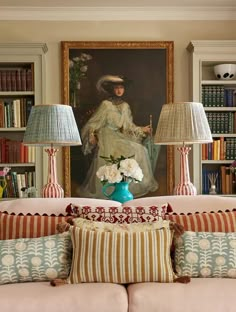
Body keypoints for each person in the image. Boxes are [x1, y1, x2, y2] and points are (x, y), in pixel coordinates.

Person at [79, 74, 159, 198]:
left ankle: (127, 188)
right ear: (112, 90)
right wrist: (92, 134)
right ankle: (110, 190)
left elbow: (128, 126)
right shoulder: (106, 105)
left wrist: (142, 129)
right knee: (115, 154)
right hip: (107, 136)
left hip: (119, 136)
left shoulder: (125, 106)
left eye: (121, 87)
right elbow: (93, 123)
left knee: (140, 149)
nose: (119, 90)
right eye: (116, 88)